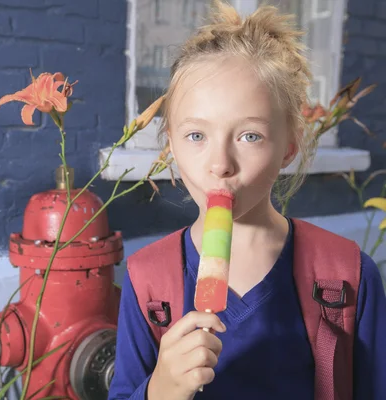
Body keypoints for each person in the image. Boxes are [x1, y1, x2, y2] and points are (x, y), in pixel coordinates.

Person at [107, 1, 386, 399]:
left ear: (288, 147)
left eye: (249, 136)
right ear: (170, 144)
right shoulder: (146, 282)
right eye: (196, 136)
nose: (220, 164)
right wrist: (159, 390)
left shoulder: (350, 275)